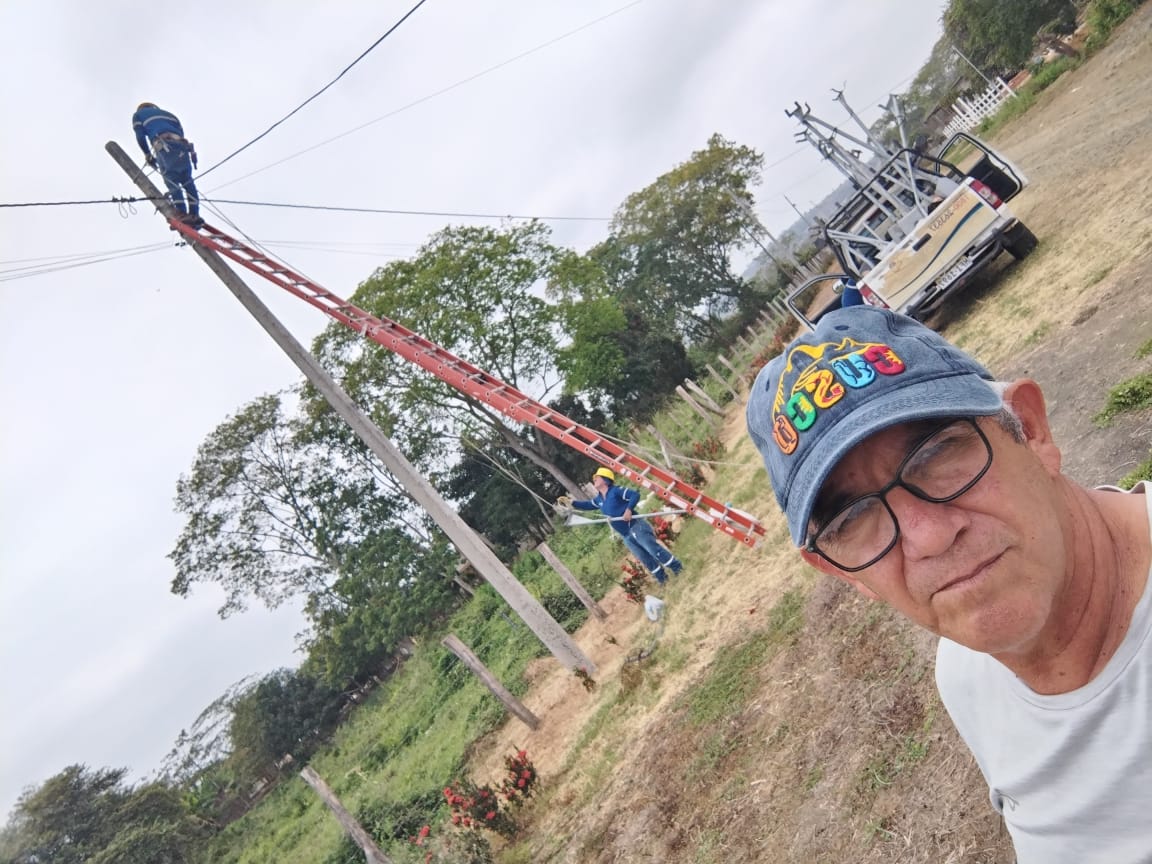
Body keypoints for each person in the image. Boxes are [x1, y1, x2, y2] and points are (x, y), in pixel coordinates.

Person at [745, 305, 1151, 863]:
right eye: (851, 518)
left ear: (1030, 430)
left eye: (935, 454)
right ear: (842, 572)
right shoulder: (965, 676)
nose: (928, 537)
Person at [558, 467, 683, 585]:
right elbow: (587, 505)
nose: (594, 479)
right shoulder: (599, 499)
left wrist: (628, 510)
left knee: (653, 550)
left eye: (597, 477)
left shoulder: (616, 491)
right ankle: (663, 579)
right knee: (644, 558)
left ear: (605, 479)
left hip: (636, 526)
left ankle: (678, 568)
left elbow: (635, 495)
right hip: (625, 535)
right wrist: (572, 502)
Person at [132, 102, 204, 228]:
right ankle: (194, 214)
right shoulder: (171, 115)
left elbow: (140, 137)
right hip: (182, 146)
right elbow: (181, 133)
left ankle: (181, 213)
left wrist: (147, 154)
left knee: (172, 180)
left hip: (164, 145)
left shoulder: (138, 115)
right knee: (187, 181)